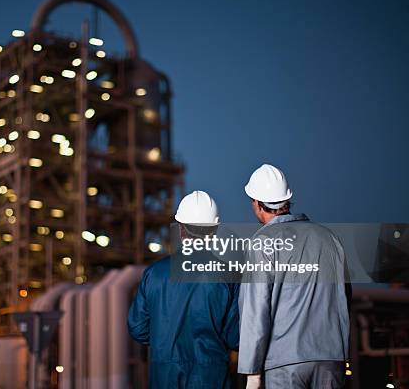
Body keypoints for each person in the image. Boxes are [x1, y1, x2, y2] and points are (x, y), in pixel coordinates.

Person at [238, 164, 350, 389]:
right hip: (331, 358)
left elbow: (255, 309)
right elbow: (344, 296)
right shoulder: (330, 238)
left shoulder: (263, 242)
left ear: (259, 204)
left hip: (284, 361)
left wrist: (251, 371)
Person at [128, 190, 240, 389]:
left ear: (180, 229)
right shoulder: (228, 275)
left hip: (164, 376)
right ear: (214, 230)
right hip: (211, 376)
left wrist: (164, 343)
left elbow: (137, 328)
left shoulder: (153, 273)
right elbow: (235, 337)